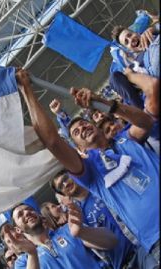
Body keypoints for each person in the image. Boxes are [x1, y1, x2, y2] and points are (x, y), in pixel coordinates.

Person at [15, 69, 160, 264]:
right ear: (78, 148)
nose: (82, 127)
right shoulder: (89, 172)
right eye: (75, 132)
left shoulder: (128, 138)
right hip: (156, 239)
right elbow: (53, 142)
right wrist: (27, 92)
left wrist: (103, 103)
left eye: (84, 124)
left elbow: (146, 119)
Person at [51, 171, 138, 269]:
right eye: (61, 186)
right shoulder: (77, 217)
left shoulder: (101, 187)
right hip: (123, 263)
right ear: (62, 193)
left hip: (142, 244)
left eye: (65, 178)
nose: (66, 184)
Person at [11, 202, 117, 269]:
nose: (27, 213)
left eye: (30, 209)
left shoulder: (68, 229)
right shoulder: (23, 261)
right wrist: (32, 254)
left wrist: (81, 232)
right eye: (20, 214)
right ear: (18, 230)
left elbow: (112, 241)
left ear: (38, 214)